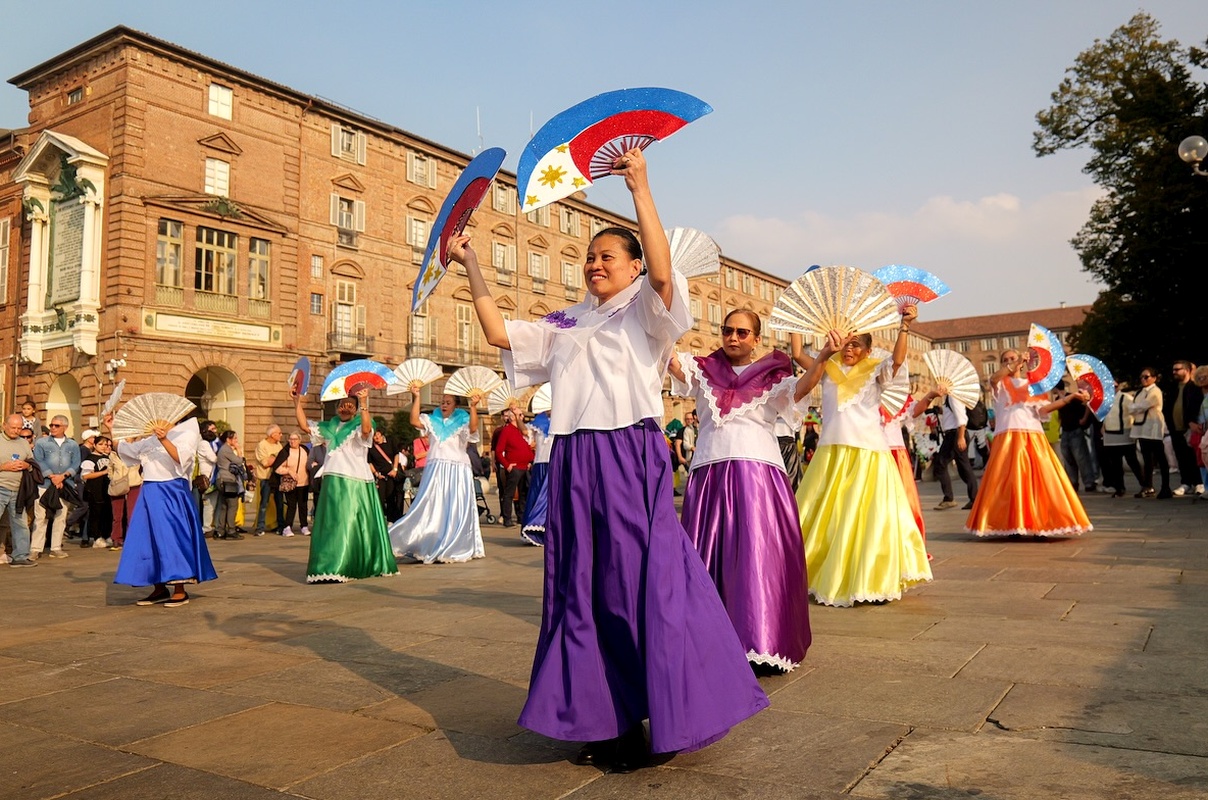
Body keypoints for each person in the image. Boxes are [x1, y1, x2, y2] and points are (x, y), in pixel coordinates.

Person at [452, 148, 768, 770]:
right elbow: (496, 333)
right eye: (590, 257)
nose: (596, 263)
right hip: (573, 457)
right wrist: (471, 266)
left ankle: (669, 707)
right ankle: (610, 719)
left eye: (608, 256)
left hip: (630, 450)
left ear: (630, 266)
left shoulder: (648, 312)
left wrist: (640, 189)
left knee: (641, 581)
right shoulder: (565, 321)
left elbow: (663, 276)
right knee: (580, 586)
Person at [668, 308, 812, 672]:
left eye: (743, 333)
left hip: (758, 473)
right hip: (710, 469)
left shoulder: (773, 374)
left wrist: (823, 356)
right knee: (707, 557)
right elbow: (669, 360)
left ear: (756, 339)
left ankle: (762, 642)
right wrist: (660, 319)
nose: (733, 338)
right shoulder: (702, 369)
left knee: (756, 556)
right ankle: (710, 640)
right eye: (728, 330)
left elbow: (799, 392)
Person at [793, 306, 932, 607]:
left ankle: (869, 580)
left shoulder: (876, 370)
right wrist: (798, 323)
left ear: (868, 349)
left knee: (870, 519)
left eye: (856, 343)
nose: (849, 348)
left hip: (869, 452)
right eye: (846, 342)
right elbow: (798, 355)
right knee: (828, 518)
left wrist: (904, 326)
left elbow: (897, 360)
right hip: (832, 453)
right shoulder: (827, 370)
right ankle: (816, 573)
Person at [964, 350, 1092, 537]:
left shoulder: (1033, 386)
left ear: (1022, 363)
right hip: (1007, 436)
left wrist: (1069, 398)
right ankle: (1013, 524)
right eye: (1005, 360)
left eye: (1013, 359)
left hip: (1033, 435)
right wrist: (1014, 365)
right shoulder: (999, 383)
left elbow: (1044, 411)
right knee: (1009, 483)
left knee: (1040, 481)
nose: (1009, 362)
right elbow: (993, 378)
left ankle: (1040, 523)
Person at [105, 412, 217, 607]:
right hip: (149, 489)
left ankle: (180, 588)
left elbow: (181, 459)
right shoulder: (149, 439)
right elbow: (125, 449)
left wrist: (164, 438)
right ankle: (158, 586)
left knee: (172, 537)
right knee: (147, 538)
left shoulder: (187, 431)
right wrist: (111, 429)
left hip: (171, 489)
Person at [293, 389, 397, 582]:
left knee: (350, 523)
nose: (345, 408)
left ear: (356, 409)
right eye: (342, 404)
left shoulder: (360, 424)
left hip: (355, 479)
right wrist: (297, 402)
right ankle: (329, 565)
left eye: (350, 405)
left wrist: (364, 401)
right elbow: (305, 427)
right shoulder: (329, 427)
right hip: (332, 477)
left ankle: (349, 563)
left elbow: (366, 431)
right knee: (331, 524)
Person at [388, 391, 485, 563]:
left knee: (455, 506)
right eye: (442, 402)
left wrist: (474, 406)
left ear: (455, 405)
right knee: (430, 504)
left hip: (457, 468)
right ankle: (428, 540)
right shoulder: (432, 420)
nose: (444, 405)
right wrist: (417, 396)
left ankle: (454, 543)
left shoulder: (463, 419)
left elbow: (473, 429)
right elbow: (414, 420)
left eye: (448, 402)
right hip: (436, 467)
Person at [919, 385, 979, 510]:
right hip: (953, 434)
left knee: (944, 465)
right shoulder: (949, 397)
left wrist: (961, 437)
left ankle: (954, 498)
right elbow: (952, 415)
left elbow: (961, 418)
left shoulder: (953, 396)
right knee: (962, 467)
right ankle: (973, 498)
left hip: (955, 434)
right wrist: (941, 410)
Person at [32, 414, 81, 559]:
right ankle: (36, 548)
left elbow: (76, 463)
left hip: (64, 485)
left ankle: (56, 547)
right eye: (51, 425)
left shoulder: (72, 445)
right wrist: (52, 476)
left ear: (65, 427)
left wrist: (63, 476)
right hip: (45, 484)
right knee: (40, 516)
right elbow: (38, 461)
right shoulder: (42, 443)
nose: (52, 428)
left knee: (61, 516)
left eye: (56, 425)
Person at [0, 414, 37, 568]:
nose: (16, 431)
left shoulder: (23, 443)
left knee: (20, 523)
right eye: (13, 427)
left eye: (19, 428)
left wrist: (26, 466)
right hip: (1, 486)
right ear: (4, 425)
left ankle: (20, 555)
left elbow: (32, 463)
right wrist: (3, 467)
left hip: (18, 490)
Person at [1164, 360, 1204, 496]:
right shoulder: (1173, 388)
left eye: (1177, 369)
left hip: (1191, 428)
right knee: (1181, 457)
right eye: (1173, 369)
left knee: (1194, 457)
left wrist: (1191, 422)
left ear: (1186, 370)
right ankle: (1186, 483)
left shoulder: (1194, 387)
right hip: (1175, 428)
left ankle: (1199, 482)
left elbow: (1196, 407)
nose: (1174, 372)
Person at [1130, 367, 1171, 499]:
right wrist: (1134, 407)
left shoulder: (1155, 391)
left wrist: (1134, 407)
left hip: (1153, 427)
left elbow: (1142, 405)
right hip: (1142, 428)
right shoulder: (1140, 392)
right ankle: (1147, 486)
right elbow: (1134, 408)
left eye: (1146, 377)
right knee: (1147, 459)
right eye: (1142, 377)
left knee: (1160, 457)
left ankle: (1166, 487)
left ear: (1154, 378)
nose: (1143, 379)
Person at [1099, 381, 1144, 498]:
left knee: (1132, 461)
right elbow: (1104, 415)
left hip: (1124, 433)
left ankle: (1144, 484)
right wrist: (1103, 426)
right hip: (1109, 435)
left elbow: (1134, 412)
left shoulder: (1125, 397)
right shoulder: (1104, 400)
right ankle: (1119, 487)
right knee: (1115, 463)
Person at [494, 406, 534, 528]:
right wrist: (507, 465)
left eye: (521, 415)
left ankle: (521, 518)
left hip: (525, 466)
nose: (522, 417)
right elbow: (498, 451)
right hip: (515, 467)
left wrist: (530, 460)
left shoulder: (524, 431)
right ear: (512, 417)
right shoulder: (507, 431)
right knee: (509, 493)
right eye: (519, 415)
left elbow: (529, 447)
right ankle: (507, 518)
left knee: (523, 494)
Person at [520, 410, 553, 546]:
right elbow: (525, 433)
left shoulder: (562, 419)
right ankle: (533, 528)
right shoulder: (538, 421)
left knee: (549, 498)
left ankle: (548, 529)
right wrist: (517, 417)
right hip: (539, 463)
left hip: (555, 463)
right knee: (536, 495)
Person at [272, 431, 310, 536]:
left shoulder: (304, 450)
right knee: (291, 506)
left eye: (294, 439)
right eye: (290, 439)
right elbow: (277, 467)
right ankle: (287, 527)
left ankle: (304, 526)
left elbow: (309, 462)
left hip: (304, 482)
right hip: (290, 484)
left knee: (303, 505)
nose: (292, 441)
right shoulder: (285, 452)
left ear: (299, 441)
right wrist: (288, 471)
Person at [79, 435, 113, 547]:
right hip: (94, 491)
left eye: (106, 445)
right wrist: (103, 473)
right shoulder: (90, 459)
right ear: (94, 445)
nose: (104, 447)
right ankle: (96, 538)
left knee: (107, 513)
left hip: (107, 490)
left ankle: (106, 535)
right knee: (96, 514)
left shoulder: (108, 458)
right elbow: (85, 476)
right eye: (101, 444)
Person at [107, 444, 142, 551]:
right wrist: (114, 478)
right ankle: (116, 539)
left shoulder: (136, 452)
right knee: (117, 515)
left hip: (134, 483)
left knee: (132, 514)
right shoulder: (113, 455)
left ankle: (132, 539)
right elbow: (110, 470)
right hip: (118, 484)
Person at [214, 430, 246, 540]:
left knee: (223, 506)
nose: (237, 441)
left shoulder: (223, 449)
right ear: (228, 439)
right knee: (232, 505)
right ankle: (231, 530)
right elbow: (238, 461)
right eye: (235, 438)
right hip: (228, 480)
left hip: (222, 479)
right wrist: (239, 450)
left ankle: (220, 531)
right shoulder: (226, 449)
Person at [253, 424, 284, 535]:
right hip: (265, 478)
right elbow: (266, 463)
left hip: (277, 477)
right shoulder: (262, 445)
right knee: (264, 503)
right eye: (279, 433)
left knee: (279, 503)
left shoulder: (279, 445)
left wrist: (273, 457)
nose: (281, 435)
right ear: (272, 434)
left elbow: (282, 459)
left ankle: (280, 526)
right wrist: (276, 458)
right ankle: (260, 527)